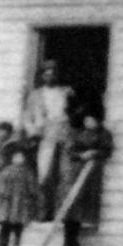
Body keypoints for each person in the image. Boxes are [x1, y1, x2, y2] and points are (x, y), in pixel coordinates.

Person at [20, 61, 75, 219]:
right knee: (44, 174)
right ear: (42, 76)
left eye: (53, 73)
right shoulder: (36, 95)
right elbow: (28, 118)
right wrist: (34, 133)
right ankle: (43, 212)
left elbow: (75, 113)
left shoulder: (66, 92)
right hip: (45, 136)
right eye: (46, 73)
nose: (50, 76)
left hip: (64, 134)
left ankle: (62, 214)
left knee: (65, 175)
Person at [60, 113, 114, 246]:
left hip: (92, 174)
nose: (88, 123)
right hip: (76, 171)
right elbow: (70, 151)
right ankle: (68, 240)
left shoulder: (104, 135)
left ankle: (75, 240)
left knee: (83, 206)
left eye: (91, 120)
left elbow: (107, 151)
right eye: (86, 120)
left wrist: (94, 153)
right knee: (72, 204)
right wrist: (81, 155)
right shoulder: (77, 134)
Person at [0, 146, 38, 246]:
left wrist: (32, 195)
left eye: (21, 157)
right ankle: (2, 243)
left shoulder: (27, 172)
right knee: (6, 224)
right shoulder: (7, 171)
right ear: (12, 158)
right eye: (16, 157)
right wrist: (1, 195)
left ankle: (16, 243)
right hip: (8, 201)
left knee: (19, 224)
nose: (19, 159)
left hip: (21, 202)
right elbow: (0, 184)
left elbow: (31, 186)